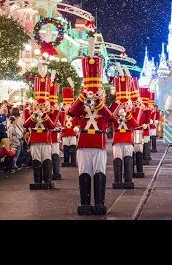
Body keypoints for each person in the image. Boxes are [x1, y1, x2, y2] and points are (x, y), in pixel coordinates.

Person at [68, 34, 113, 215]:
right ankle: (85, 203)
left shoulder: (103, 106)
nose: (95, 95)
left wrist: (98, 102)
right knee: (84, 173)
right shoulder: (82, 104)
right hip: (84, 143)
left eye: (98, 92)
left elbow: (110, 118)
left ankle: (100, 203)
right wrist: (83, 96)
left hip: (99, 142)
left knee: (99, 173)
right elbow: (71, 112)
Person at [23, 75, 55, 190]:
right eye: (39, 105)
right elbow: (25, 125)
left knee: (46, 158)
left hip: (46, 139)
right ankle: (37, 180)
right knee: (36, 159)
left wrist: (45, 116)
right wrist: (33, 116)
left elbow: (52, 126)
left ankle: (47, 180)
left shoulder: (50, 113)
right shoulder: (29, 113)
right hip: (35, 138)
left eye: (43, 105)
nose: (41, 107)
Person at [108, 66, 138, 189]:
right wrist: (117, 109)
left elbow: (135, 125)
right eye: (122, 103)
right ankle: (117, 180)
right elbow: (109, 119)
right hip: (117, 138)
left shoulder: (132, 111)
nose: (124, 105)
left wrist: (128, 114)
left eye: (126, 103)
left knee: (128, 158)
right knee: (117, 159)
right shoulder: (114, 108)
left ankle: (128, 180)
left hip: (127, 137)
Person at [60, 86, 78, 167]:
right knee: (66, 148)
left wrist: (77, 127)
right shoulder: (61, 113)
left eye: (69, 104)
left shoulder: (75, 114)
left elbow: (78, 122)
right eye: (66, 105)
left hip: (72, 132)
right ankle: (66, 161)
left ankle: (73, 161)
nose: (67, 106)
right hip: (65, 132)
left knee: (73, 147)